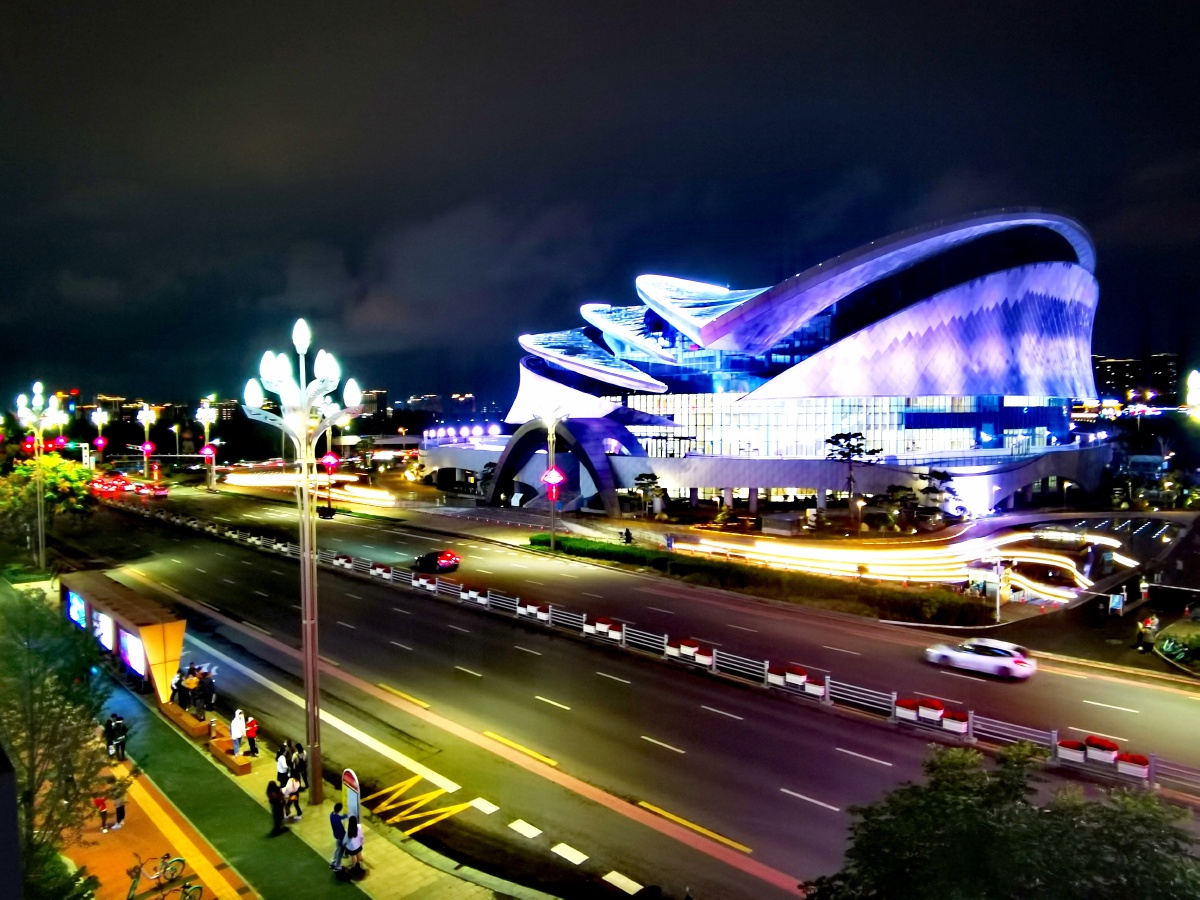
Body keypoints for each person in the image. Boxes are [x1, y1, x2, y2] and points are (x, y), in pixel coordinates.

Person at [328, 802, 348, 870]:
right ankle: (337, 866)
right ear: (340, 810)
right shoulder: (337, 820)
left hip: (336, 835)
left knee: (337, 848)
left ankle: (333, 861)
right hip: (340, 836)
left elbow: (339, 817)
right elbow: (340, 830)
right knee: (340, 851)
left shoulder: (332, 815)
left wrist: (343, 816)